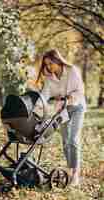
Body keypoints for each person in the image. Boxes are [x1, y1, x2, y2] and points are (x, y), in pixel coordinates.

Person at [28, 49, 86, 186]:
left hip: (77, 106)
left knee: (73, 139)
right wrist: (34, 111)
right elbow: (44, 96)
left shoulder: (72, 70)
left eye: (51, 63)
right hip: (63, 110)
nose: (49, 67)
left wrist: (70, 98)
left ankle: (75, 173)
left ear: (58, 60)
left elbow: (80, 90)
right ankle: (70, 169)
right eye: (46, 64)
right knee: (66, 141)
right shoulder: (50, 78)